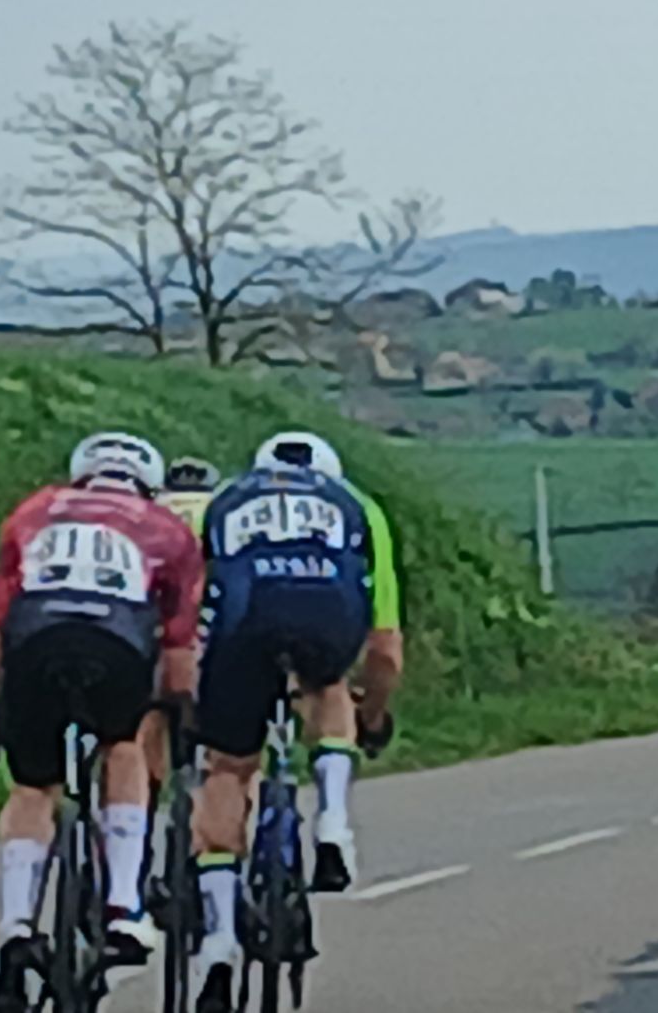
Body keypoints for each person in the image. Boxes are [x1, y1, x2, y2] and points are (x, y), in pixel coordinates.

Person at [0, 431, 205, 1013]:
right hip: (115, 644)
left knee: (33, 787)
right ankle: (123, 905)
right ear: (149, 485)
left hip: (36, 641)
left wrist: (8, 696)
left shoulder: (33, 512)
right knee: (123, 746)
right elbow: (179, 661)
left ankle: (17, 926)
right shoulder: (168, 530)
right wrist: (176, 710)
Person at [190, 431, 404, 1013]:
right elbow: (385, 647)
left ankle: (218, 942)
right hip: (326, 615)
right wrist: (372, 716)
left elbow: (196, 603)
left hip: (244, 622)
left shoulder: (225, 500)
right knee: (328, 685)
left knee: (228, 770)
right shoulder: (357, 506)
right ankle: (333, 824)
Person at [159, 456, 223, 537]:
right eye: (177, 472)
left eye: (199, 473)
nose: (185, 475)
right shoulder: (161, 500)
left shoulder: (212, 503)